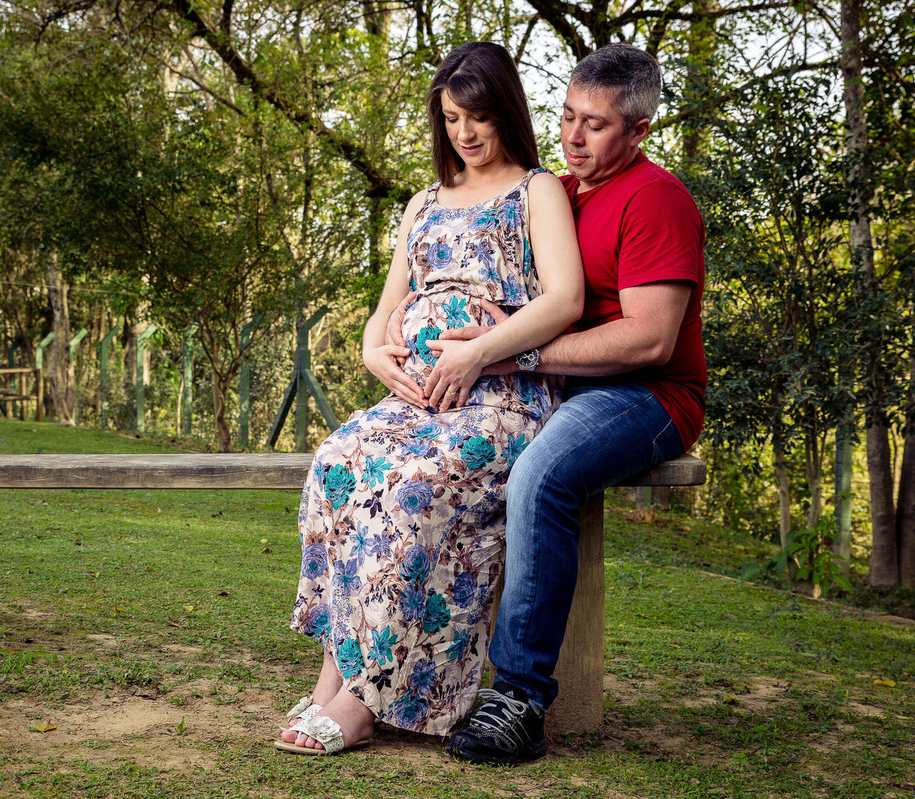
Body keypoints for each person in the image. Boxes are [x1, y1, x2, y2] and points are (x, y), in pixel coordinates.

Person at [274, 42, 584, 755]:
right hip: (415, 398)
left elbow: (565, 299)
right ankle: (335, 676)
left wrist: (478, 351)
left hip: (500, 395)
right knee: (338, 463)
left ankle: (363, 698)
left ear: (505, 111)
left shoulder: (536, 190)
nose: (465, 133)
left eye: (478, 116)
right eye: (451, 119)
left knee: (413, 488)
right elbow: (385, 311)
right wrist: (372, 352)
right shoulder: (423, 201)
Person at [436, 44, 708, 765]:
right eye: (565, 116)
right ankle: (420, 665)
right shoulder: (554, 190)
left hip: (643, 396)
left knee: (539, 476)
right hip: (556, 384)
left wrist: (511, 352)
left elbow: (650, 340)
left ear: (640, 130)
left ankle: (518, 696)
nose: (573, 137)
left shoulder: (657, 200)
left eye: (595, 125)